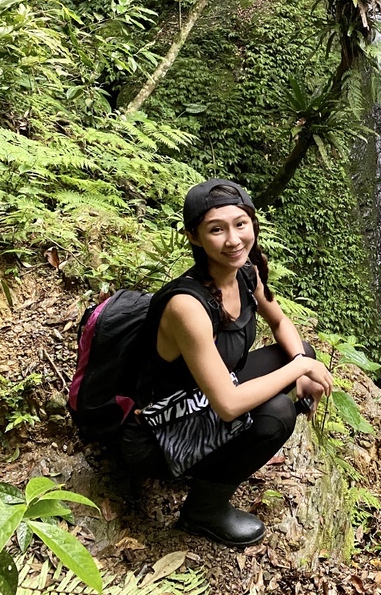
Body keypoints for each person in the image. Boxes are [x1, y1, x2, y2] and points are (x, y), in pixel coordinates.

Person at [121, 178, 334, 547]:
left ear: (253, 224)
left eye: (240, 224)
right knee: (278, 413)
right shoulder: (187, 306)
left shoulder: (247, 271)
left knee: (301, 352)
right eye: (216, 230)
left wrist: (300, 361)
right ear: (194, 237)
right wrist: (299, 371)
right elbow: (228, 404)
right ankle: (203, 510)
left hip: (205, 394)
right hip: (161, 430)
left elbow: (280, 321)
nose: (234, 240)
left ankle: (223, 455)